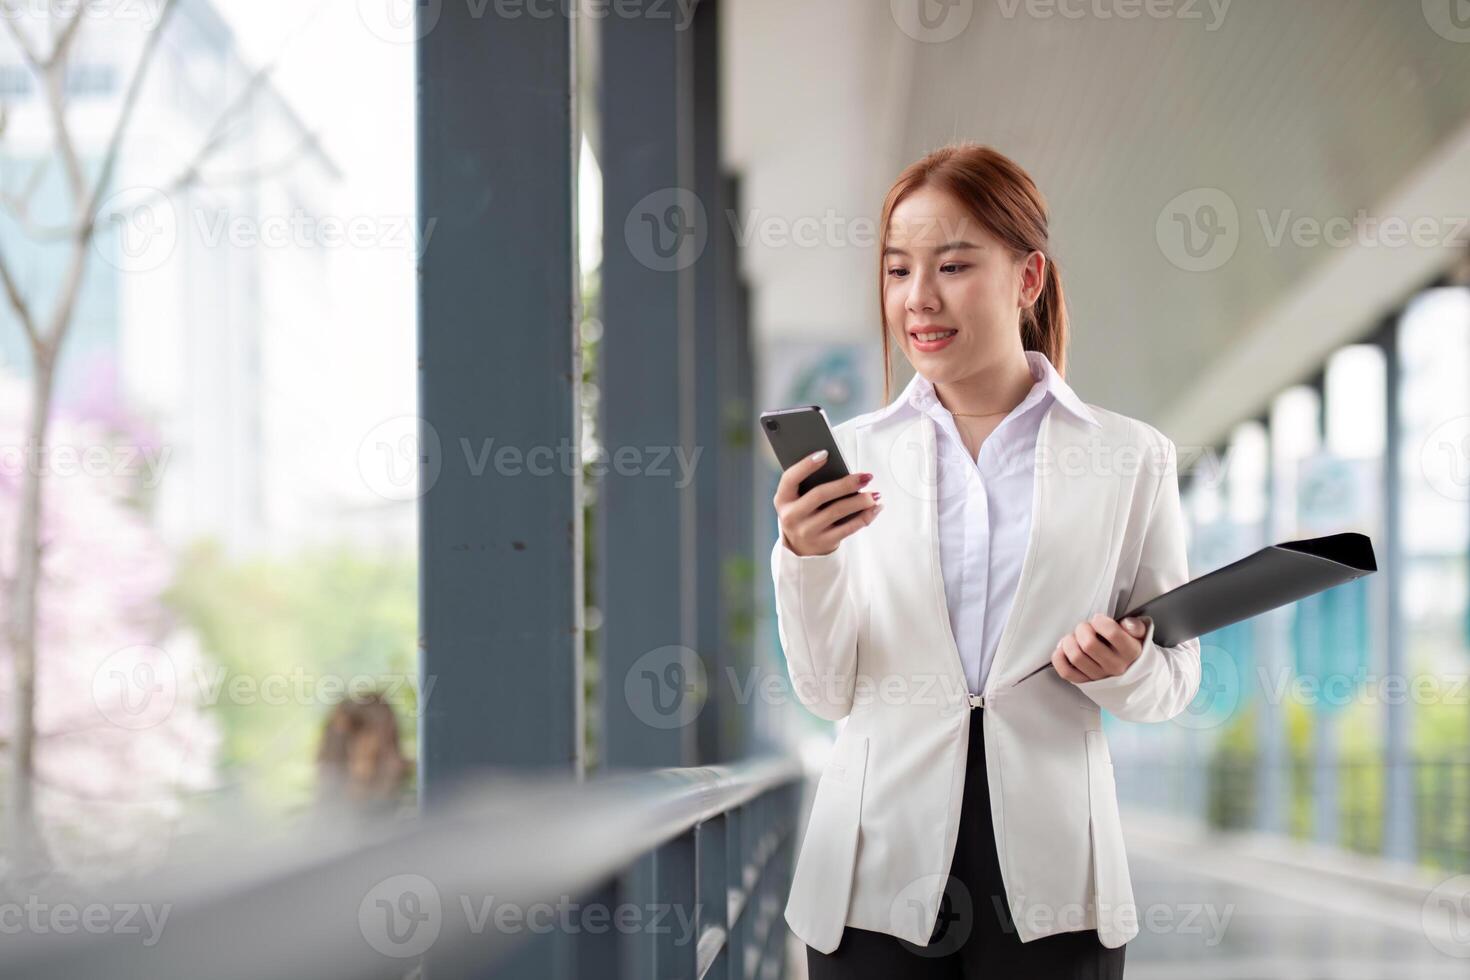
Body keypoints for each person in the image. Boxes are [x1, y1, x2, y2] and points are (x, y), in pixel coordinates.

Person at [769, 143, 1202, 978]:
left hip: (1056, 888)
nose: (918, 299)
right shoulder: (849, 458)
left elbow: (1174, 681)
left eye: (954, 265)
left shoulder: (1130, 458)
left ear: (1027, 279)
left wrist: (1121, 669)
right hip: (872, 876)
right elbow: (827, 692)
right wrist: (807, 560)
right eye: (898, 271)